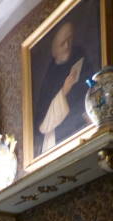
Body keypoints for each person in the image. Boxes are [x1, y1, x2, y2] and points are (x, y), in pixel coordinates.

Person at [34, 20, 92, 155]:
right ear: (54, 49)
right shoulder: (49, 77)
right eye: (62, 43)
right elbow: (43, 124)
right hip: (61, 138)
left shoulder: (79, 54)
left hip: (84, 125)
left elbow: (89, 86)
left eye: (69, 39)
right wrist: (65, 90)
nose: (67, 46)